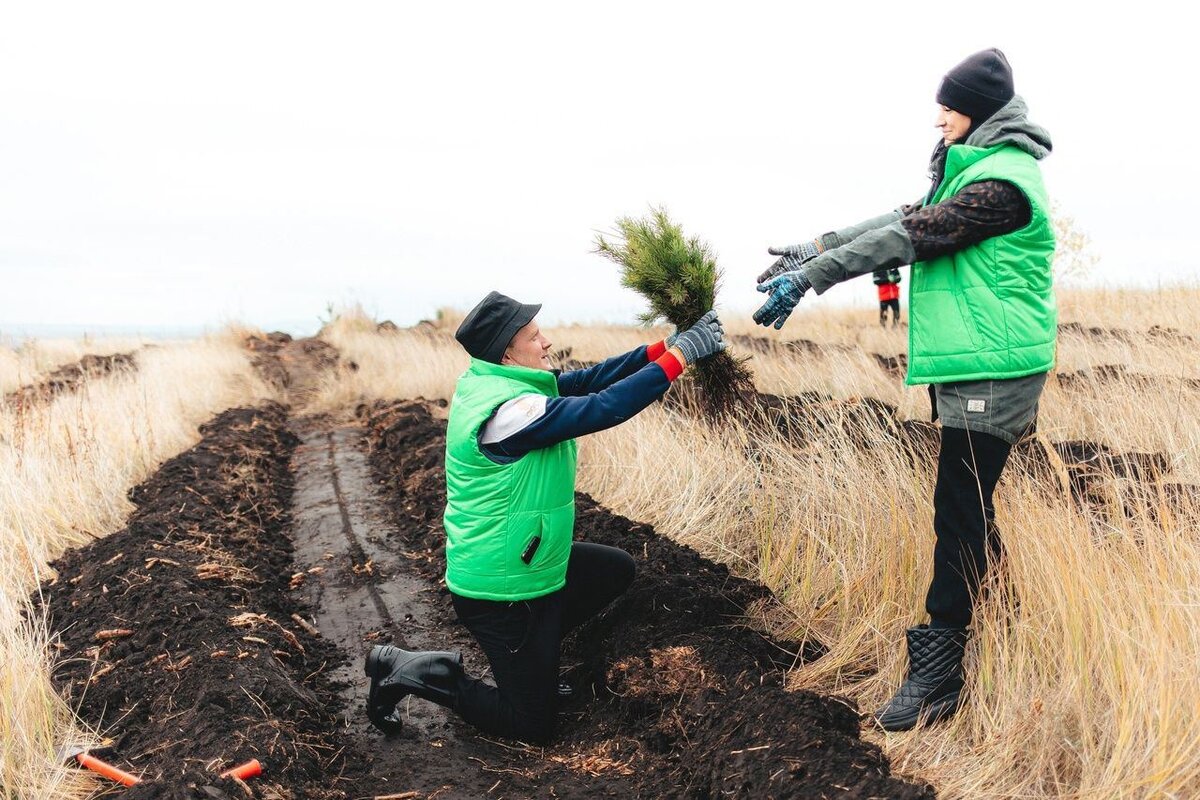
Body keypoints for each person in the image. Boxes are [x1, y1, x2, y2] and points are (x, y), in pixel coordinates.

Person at [753, 48, 1054, 732]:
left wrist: (815, 277)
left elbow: (913, 236)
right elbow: (901, 216)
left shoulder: (1003, 185)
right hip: (973, 361)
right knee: (970, 504)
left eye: (948, 105)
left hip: (996, 367)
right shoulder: (973, 170)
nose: (939, 116)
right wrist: (816, 246)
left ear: (978, 110)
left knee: (958, 507)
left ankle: (940, 670)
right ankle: (1004, 621)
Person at [364, 291, 726, 743]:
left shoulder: (501, 382)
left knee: (614, 570)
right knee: (531, 725)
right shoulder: (509, 412)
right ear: (507, 351)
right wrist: (680, 359)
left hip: (528, 565)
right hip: (500, 589)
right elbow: (603, 406)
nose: (548, 343)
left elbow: (589, 380)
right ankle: (416, 669)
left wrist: (661, 349)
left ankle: (537, 657)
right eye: (535, 338)